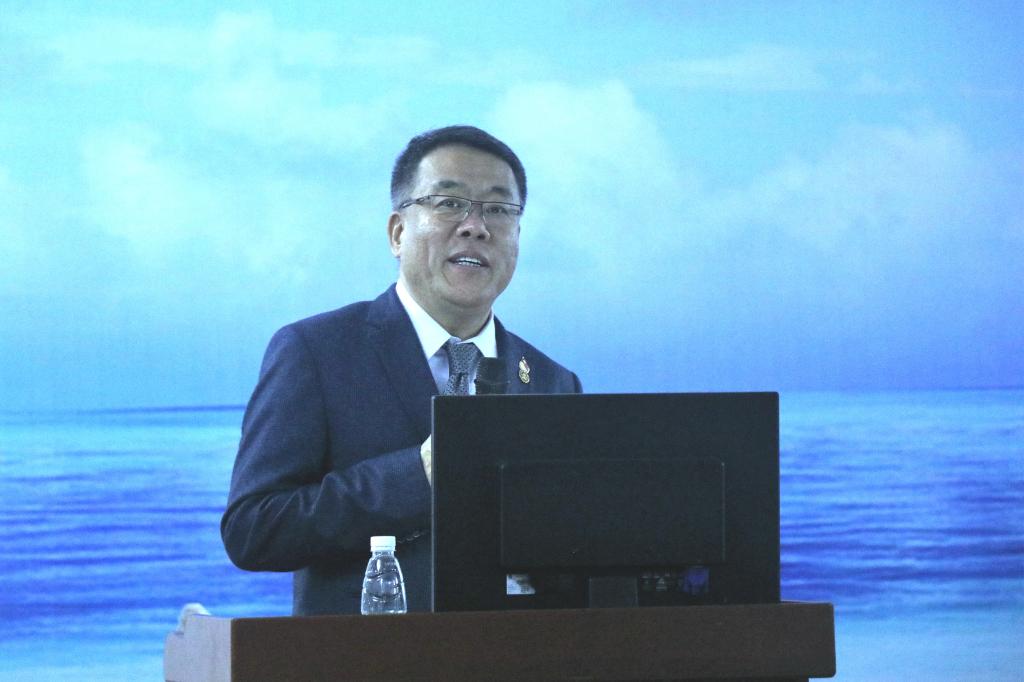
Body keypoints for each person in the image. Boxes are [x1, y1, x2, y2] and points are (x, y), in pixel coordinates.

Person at [221, 125, 582, 615]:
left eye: (499, 210)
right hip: (370, 652)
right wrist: (422, 473)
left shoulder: (550, 381)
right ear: (398, 232)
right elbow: (254, 530)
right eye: (449, 203)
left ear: (517, 236)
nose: (476, 226)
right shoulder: (317, 352)